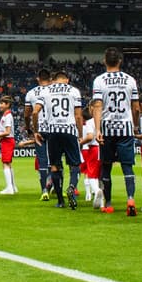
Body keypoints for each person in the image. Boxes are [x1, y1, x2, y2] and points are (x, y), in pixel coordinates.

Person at [91, 47, 141, 216]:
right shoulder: (130, 80)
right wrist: (135, 126)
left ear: (105, 61)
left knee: (106, 167)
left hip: (107, 128)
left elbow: (97, 105)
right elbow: (135, 107)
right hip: (125, 128)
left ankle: (109, 203)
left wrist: (97, 129)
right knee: (128, 167)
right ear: (120, 61)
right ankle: (131, 199)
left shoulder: (99, 80)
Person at [31, 69, 84, 209]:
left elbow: (35, 112)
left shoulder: (45, 91)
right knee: (75, 164)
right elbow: (78, 116)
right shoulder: (74, 91)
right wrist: (80, 134)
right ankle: (72, 187)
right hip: (69, 130)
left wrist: (36, 131)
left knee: (54, 166)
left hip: (52, 132)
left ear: (54, 79)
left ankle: (60, 201)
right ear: (66, 79)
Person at [24, 68, 53, 199]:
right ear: (51, 79)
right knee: (55, 159)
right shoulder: (55, 90)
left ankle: (44, 191)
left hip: (39, 128)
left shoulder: (31, 93)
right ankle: (53, 185)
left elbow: (27, 114)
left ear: (38, 79)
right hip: (54, 128)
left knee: (42, 161)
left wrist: (29, 128)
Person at [0, 95, 18, 195]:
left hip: (7, 141)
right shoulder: (5, 115)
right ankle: (13, 186)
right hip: (6, 140)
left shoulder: (7, 116)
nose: (0, 105)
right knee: (8, 163)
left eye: (2, 103)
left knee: (5, 163)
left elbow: (7, 132)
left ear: (7, 105)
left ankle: (9, 188)